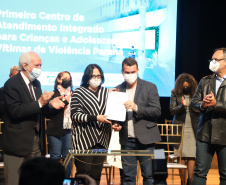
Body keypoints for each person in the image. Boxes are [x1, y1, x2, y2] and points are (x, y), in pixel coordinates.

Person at [2, 51, 65, 185]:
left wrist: (51, 106)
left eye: (41, 65)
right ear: (25, 66)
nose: (39, 69)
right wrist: (40, 102)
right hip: (17, 144)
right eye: (37, 65)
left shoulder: (36, 84)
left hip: (35, 140)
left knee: (36, 181)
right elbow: (15, 111)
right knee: (14, 181)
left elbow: (39, 110)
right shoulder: (11, 84)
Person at [112, 57, 161, 185]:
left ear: (138, 70)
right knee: (128, 178)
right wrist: (115, 124)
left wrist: (136, 108)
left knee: (148, 177)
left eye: (132, 72)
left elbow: (157, 111)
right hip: (126, 139)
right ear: (122, 72)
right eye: (127, 72)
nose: (130, 75)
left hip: (147, 139)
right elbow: (115, 116)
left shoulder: (150, 87)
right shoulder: (117, 89)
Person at [70, 64, 111, 185]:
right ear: (87, 77)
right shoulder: (79, 92)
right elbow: (75, 115)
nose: (96, 78)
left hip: (101, 140)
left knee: (96, 173)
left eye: (98, 76)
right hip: (83, 141)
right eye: (93, 76)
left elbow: (112, 112)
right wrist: (96, 118)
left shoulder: (106, 92)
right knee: (84, 173)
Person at [191, 47, 226, 185]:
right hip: (205, 133)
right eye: (212, 60)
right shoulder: (205, 81)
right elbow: (194, 103)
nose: (213, 62)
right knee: (199, 172)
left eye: (216, 60)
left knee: (225, 174)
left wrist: (217, 104)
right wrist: (203, 105)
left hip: (224, 134)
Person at [170, 73, 200, 185]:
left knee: (192, 154)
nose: (186, 88)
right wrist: (181, 106)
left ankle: (190, 181)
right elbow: (172, 110)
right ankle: (182, 182)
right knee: (181, 154)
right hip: (179, 127)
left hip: (193, 127)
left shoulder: (196, 94)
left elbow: (199, 109)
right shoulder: (175, 93)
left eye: (188, 86)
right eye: (184, 86)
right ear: (180, 86)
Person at [46, 71, 73, 178]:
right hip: (54, 130)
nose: (67, 80)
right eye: (65, 77)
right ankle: (54, 180)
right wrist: (65, 101)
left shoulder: (73, 93)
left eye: (69, 78)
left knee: (68, 157)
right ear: (58, 79)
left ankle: (66, 180)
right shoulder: (53, 94)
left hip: (69, 129)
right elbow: (48, 112)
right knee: (55, 156)